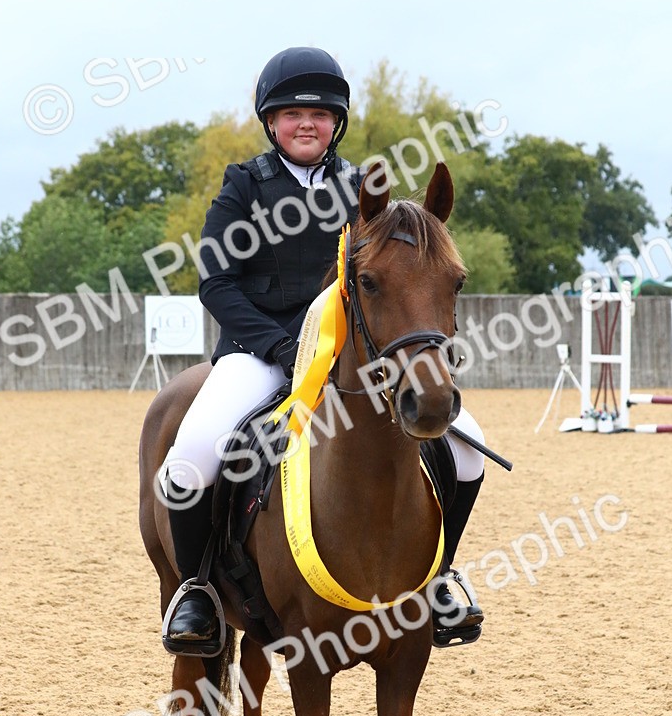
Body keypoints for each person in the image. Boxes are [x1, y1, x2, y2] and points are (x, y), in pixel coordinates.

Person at [161, 46, 486, 656]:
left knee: (467, 449)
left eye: (319, 112)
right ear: (270, 123)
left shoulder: (364, 191)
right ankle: (198, 589)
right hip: (258, 352)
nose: (305, 122)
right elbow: (216, 282)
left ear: (336, 122)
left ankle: (441, 578)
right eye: (290, 112)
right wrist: (281, 346)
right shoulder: (243, 186)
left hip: (349, 357)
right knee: (192, 457)